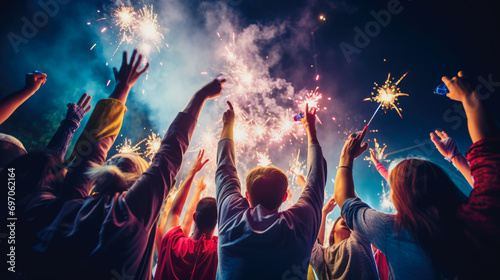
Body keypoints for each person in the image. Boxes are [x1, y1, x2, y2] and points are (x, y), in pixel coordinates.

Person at [18, 50, 225, 280]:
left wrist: (122, 88)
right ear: (137, 183)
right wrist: (200, 97)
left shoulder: (66, 205)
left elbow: (93, 152)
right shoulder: (133, 212)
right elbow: (165, 155)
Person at [334, 71, 500, 279]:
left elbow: (345, 200)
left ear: (396, 196)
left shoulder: (393, 232)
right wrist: (469, 98)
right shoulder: (477, 217)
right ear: (443, 183)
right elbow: (489, 157)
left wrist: (345, 157)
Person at [216, 102, 327, 279]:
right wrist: (310, 129)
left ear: (247, 196)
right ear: (285, 197)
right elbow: (316, 180)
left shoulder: (231, 218)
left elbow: (224, 169)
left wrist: (228, 125)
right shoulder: (299, 224)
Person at [155, 150, 218, 280]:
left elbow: (175, 211)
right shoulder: (217, 250)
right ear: (218, 221)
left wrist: (193, 171)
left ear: (195, 217)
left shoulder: (172, 242)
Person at [308, 197, 379, 280]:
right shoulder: (323, 255)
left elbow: (360, 214)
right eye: (342, 218)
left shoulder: (359, 240)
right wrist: (324, 213)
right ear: (333, 228)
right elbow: (316, 243)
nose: (345, 218)